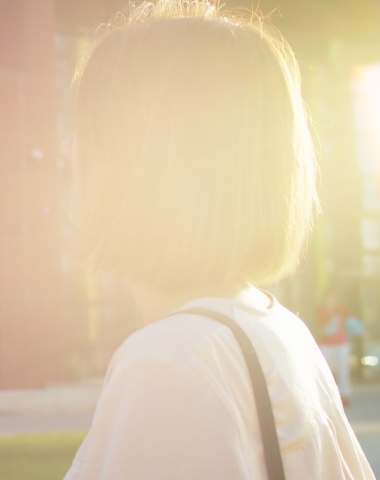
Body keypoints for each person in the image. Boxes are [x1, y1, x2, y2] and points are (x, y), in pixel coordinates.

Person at [62, 1, 374, 478]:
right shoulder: (280, 330)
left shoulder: (169, 363)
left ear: (146, 160)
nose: (67, 146)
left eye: (89, 124)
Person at [316, 289, 365, 407]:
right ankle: (326, 397)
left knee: (343, 370)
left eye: (334, 298)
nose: (331, 301)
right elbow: (319, 325)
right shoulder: (320, 310)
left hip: (342, 344)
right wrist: (330, 313)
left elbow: (354, 322)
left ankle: (344, 396)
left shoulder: (343, 310)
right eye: (329, 298)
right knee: (325, 371)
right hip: (326, 344)